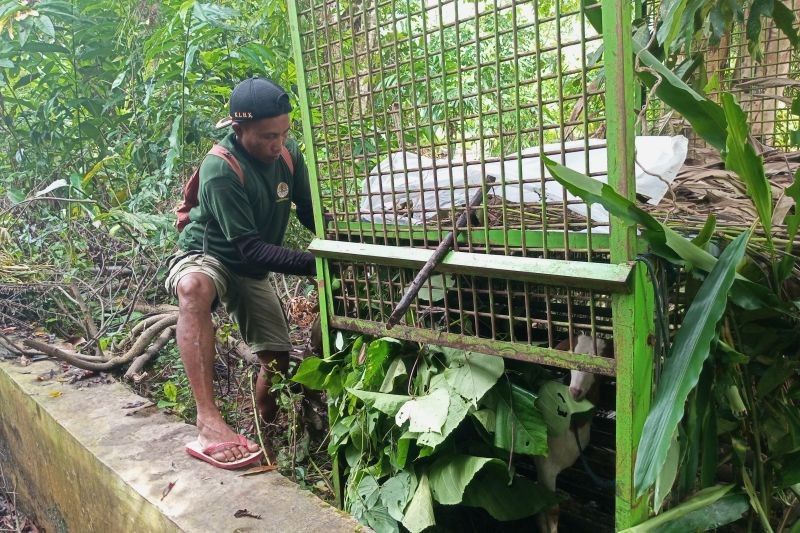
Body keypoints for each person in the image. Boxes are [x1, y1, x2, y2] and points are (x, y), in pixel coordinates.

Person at [165, 77, 318, 469]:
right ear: (238, 129)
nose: (277, 145)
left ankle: (265, 437)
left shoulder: (287, 156)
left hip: (250, 268)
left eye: (284, 134)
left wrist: (344, 242)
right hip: (211, 254)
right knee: (193, 288)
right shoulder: (221, 168)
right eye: (267, 136)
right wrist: (314, 265)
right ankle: (208, 420)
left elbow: (308, 211)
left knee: (277, 358)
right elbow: (247, 246)